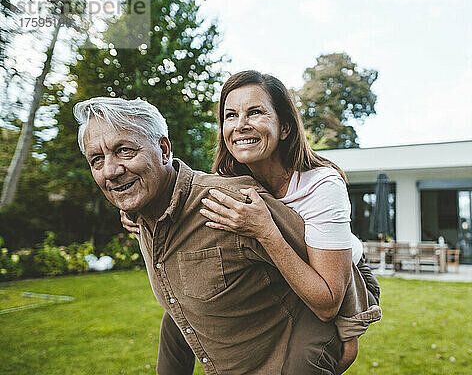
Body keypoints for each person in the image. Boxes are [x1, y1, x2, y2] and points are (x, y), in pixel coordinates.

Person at [76, 96, 374, 374]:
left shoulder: (235, 205)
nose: (111, 171)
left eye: (124, 150)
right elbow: (178, 308)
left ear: (165, 150)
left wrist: (348, 340)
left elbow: (336, 270)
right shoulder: (142, 213)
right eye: (96, 160)